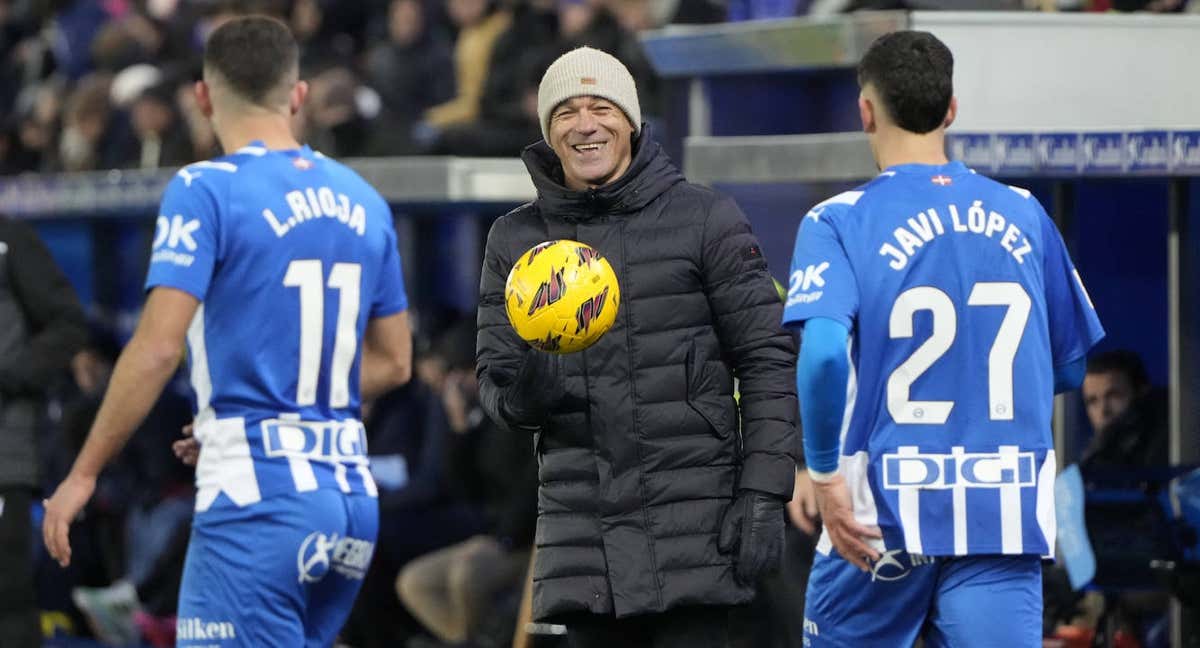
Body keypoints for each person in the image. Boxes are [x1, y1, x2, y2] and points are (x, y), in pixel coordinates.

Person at [41, 16, 413, 647]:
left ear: (203, 98)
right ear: (297, 97)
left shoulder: (204, 188)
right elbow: (395, 363)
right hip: (349, 502)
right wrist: (240, 417)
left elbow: (158, 347)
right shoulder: (364, 199)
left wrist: (82, 474)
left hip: (260, 500)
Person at [783, 31, 1105, 647]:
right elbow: (1067, 368)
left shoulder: (836, 221)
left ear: (866, 112)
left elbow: (822, 355)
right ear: (951, 110)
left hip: (880, 519)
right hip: (1001, 516)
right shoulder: (1024, 211)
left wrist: (823, 476)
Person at [475, 46, 798, 647]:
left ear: (631, 121)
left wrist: (763, 491)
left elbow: (766, 360)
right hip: (585, 550)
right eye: (565, 112)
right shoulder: (514, 240)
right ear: (548, 131)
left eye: (601, 107)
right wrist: (527, 394)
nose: (585, 124)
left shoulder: (707, 218)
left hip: (696, 537)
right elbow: (494, 383)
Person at [0, 216, 89, 648]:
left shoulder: (10, 240)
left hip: (4, 460)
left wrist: (9, 374)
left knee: (7, 609)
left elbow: (69, 323)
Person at [1079, 349, 1167, 472]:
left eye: (1113, 396)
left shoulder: (1169, 447)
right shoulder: (1092, 455)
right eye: (1092, 401)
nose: (1103, 410)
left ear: (1141, 393)